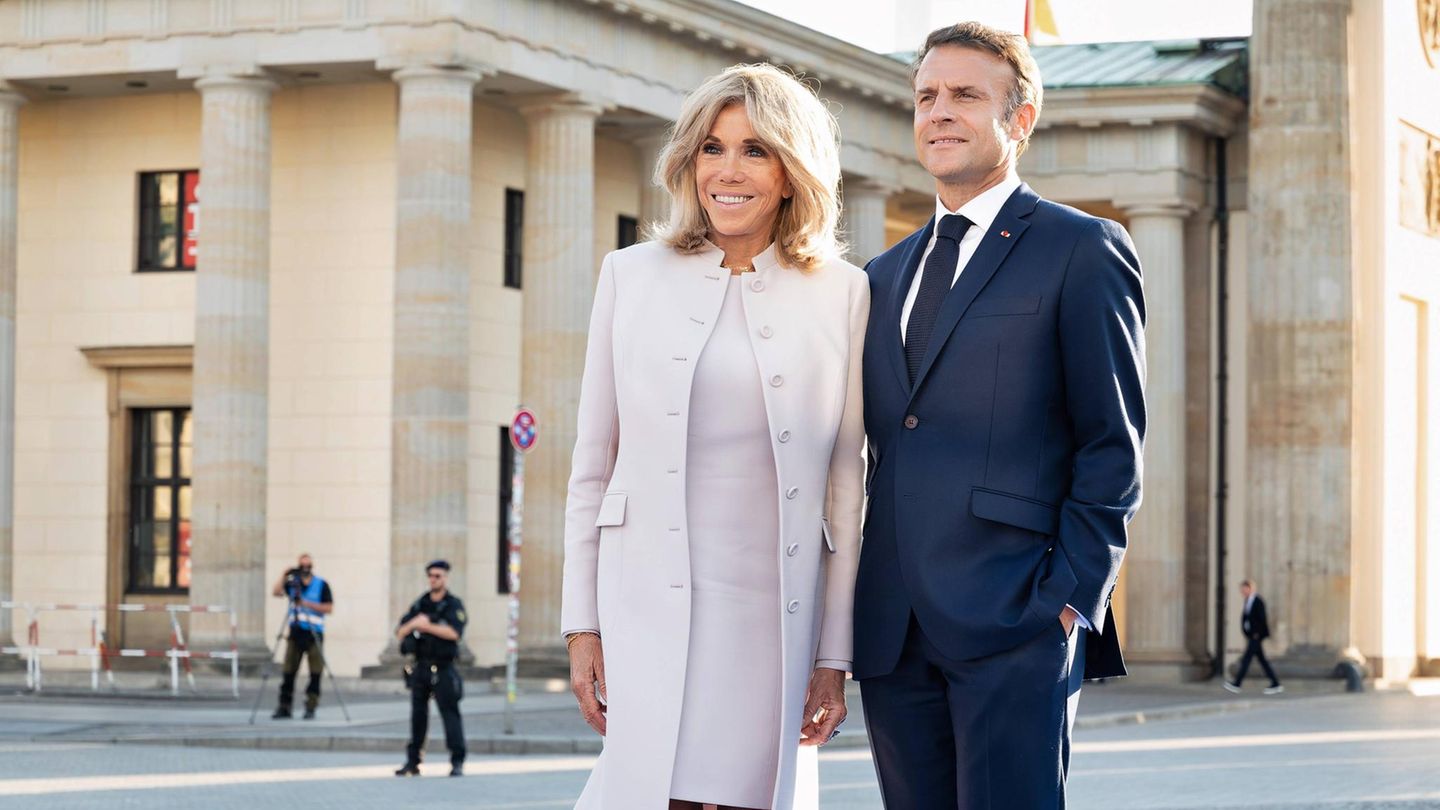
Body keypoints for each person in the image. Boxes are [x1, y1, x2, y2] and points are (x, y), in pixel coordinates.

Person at [852, 21, 1147, 809]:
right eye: (926, 96)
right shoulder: (882, 274)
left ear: (1019, 120)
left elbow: (1112, 447)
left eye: (964, 96)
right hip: (893, 628)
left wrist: (1067, 600)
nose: (939, 112)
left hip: (1016, 619)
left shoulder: (1083, 249)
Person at [561, 63, 867, 810]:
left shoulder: (843, 293)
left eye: (756, 150)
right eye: (712, 148)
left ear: (792, 173)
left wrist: (834, 655)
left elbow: (847, 486)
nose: (728, 170)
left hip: (770, 618)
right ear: (689, 162)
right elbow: (592, 467)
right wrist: (581, 628)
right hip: (642, 608)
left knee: (744, 796)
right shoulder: (628, 276)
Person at [394, 560, 468, 777]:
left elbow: (455, 633)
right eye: (431, 576)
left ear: (445, 578)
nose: (434, 579)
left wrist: (426, 626)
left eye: (439, 576)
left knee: (450, 715)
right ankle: (413, 761)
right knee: (418, 716)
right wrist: (414, 623)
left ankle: (457, 761)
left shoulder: (453, 604)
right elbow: (400, 631)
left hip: (444, 668)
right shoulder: (421, 604)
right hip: (421, 667)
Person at [270, 553, 333, 720]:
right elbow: (276, 592)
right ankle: (284, 706)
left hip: (314, 634)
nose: (305, 569)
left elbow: (329, 608)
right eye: (302, 566)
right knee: (288, 672)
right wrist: (284, 576)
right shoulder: (292, 584)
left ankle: (311, 706)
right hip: (295, 632)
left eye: (308, 566)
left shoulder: (321, 584)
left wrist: (306, 604)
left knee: (315, 672)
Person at [1225, 579, 1284, 695]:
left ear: (1250, 588)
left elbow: (1262, 619)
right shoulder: (1248, 601)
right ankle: (1275, 683)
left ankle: (1237, 683)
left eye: (1244, 589)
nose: (1242, 592)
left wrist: (1257, 634)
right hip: (1252, 635)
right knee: (1262, 661)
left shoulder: (1258, 601)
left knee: (1246, 659)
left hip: (1256, 636)